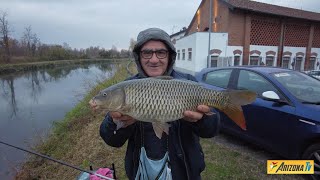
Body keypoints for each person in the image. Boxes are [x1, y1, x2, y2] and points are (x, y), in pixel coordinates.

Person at [100, 28, 220, 180]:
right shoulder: (127, 88)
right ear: (139, 56)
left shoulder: (188, 82)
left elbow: (212, 130)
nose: (154, 59)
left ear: (170, 56)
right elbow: (111, 140)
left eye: (161, 52)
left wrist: (201, 120)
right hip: (142, 173)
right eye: (147, 53)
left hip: (185, 174)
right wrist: (116, 122)